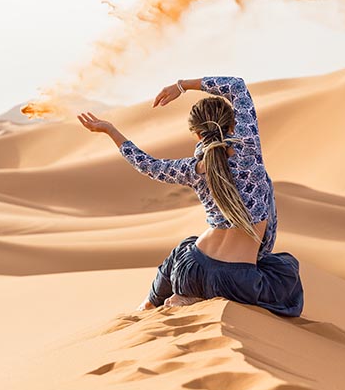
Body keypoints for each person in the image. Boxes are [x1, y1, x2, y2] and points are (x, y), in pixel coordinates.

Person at [76, 76, 304, 317]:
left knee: (185, 247)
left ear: (196, 135)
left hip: (191, 270)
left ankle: (149, 305)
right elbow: (237, 87)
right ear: (233, 125)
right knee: (286, 271)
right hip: (237, 281)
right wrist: (181, 86)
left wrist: (111, 131)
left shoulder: (193, 169)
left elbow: (147, 165)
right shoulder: (248, 149)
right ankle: (194, 297)